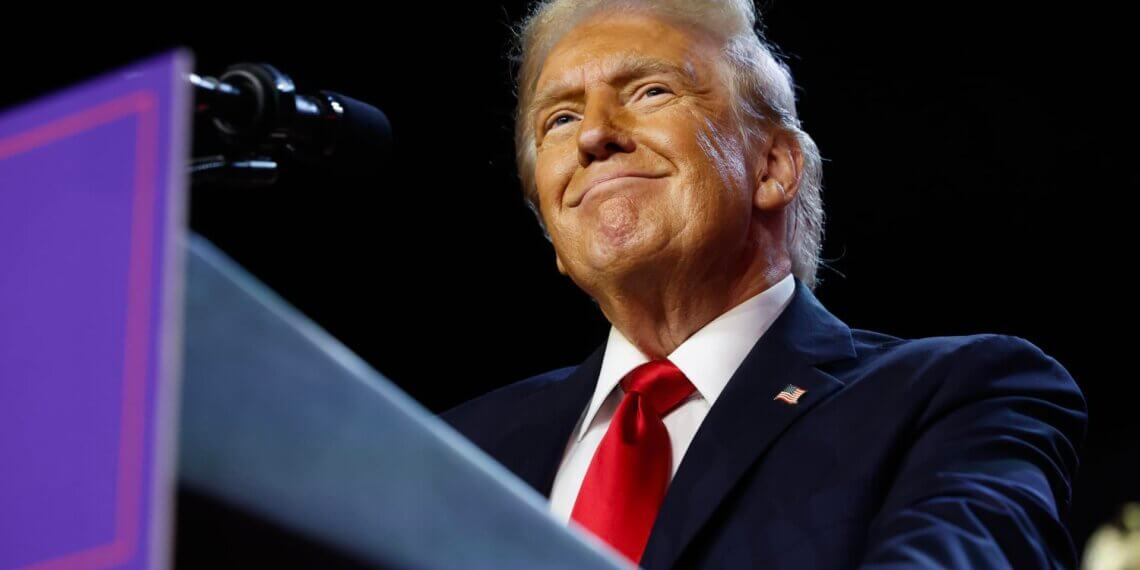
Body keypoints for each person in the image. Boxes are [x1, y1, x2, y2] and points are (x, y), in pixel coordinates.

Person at [441, 1, 1088, 567]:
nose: (593, 135)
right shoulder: (455, 448)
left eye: (649, 92)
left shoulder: (953, 399)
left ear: (773, 167)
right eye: (558, 119)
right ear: (552, 227)